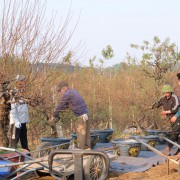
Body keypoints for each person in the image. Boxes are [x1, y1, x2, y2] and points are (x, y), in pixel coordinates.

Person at [51, 81, 91, 149]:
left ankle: (81, 153)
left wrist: (54, 115)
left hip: (80, 116)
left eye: (60, 91)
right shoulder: (73, 91)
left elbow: (61, 106)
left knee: (81, 136)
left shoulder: (67, 94)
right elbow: (67, 105)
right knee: (86, 136)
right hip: (86, 115)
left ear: (63, 88)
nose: (61, 93)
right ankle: (87, 150)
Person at [152, 84, 180, 155]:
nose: (166, 93)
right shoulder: (163, 98)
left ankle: (168, 147)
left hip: (177, 117)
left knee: (175, 133)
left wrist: (167, 112)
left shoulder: (175, 98)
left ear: (171, 92)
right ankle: (179, 150)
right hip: (171, 118)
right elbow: (157, 103)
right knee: (176, 135)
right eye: (165, 92)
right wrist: (150, 107)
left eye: (168, 92)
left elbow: (176, 108)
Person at [9, 75, 30, 151]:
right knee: (14, 142)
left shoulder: (24, 93)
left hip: (23, 121)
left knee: (24, 141)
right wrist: (16, 121)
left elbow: (24, 107)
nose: (21, 83)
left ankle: (27, 156)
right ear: (16, 82)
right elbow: (13, 108)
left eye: (22, 81)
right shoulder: (14, 93)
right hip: (16, 122)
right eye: (19, 81)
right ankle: (12, 159)